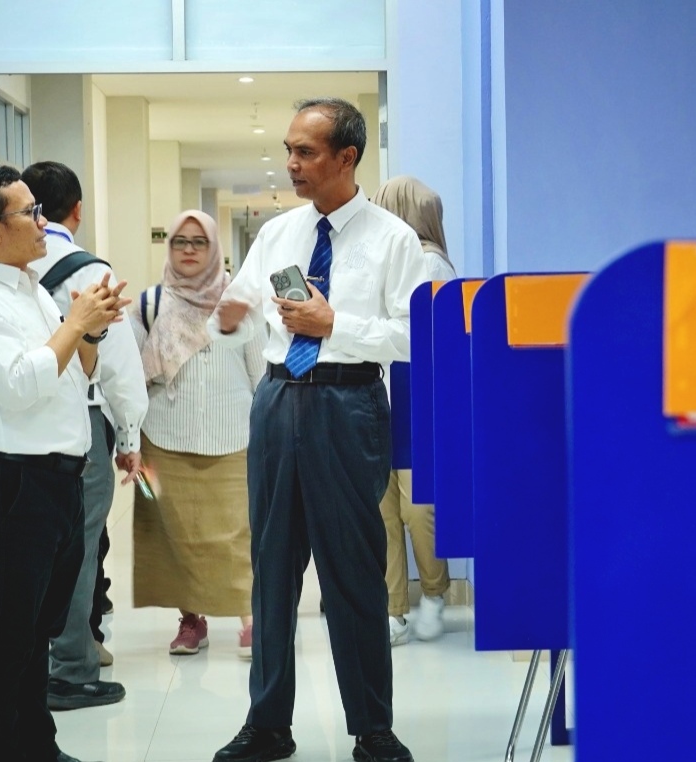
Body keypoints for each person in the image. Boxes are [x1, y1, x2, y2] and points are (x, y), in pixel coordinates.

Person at [208, 99, 427, 762]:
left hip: (349, 404)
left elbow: (413, 337)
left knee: (354, 571)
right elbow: (241, 313)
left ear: (347, 157)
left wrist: (336, 326)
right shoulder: (278, 233)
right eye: (289, 150)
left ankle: (373, 728)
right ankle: (267, 723)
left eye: (305, 152)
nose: (292, 163)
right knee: (272, 570)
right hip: (278, 401)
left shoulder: (394, 240)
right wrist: (225, 318)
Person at [0, 166, 127, 762]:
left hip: (57, 481)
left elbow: (76, 376)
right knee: (5, 636)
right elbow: (19, 387)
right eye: (29, 213)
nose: (43, 223)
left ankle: (37, 746)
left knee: (38, 631)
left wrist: (90, 334)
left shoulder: (32, 290)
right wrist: (74, 325)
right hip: (11, 482)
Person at [20, 161, 148, 708]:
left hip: (14, 425)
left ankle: (23, 663)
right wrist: (130, 438)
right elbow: (117, 365)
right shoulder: (91, 272)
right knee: (78, 545)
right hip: (80, 421)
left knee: (22, 545)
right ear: (76, 210)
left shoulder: (1, 266)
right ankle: (72, 666)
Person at [130, 210, 264, 659]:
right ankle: (191, 620)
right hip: (164, 438)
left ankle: (251, 619)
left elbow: (260, 373)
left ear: (214, 249)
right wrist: (127, 441)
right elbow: (131, 377)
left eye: (199, 242)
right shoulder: (149, 305)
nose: (189, 250)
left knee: (239, 532)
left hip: (233, 435)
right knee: (177, 536)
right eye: (180, 241)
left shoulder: (238, 303)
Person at [373, 175, 456, 646]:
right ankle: (393, 608)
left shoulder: (429, 263)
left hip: (415, 395)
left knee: (418, 507)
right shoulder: (384, 259)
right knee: (381, 508)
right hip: (378, 391)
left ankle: (434, 593)